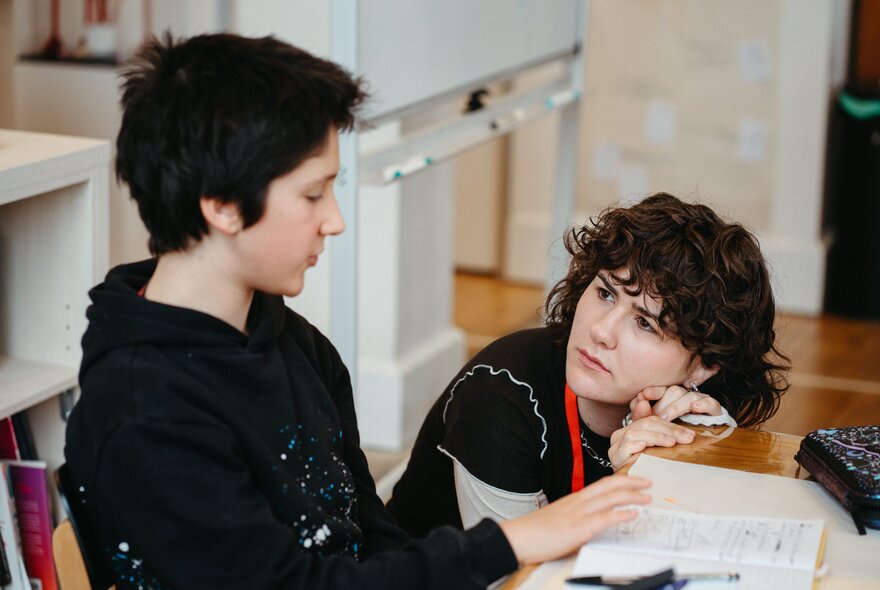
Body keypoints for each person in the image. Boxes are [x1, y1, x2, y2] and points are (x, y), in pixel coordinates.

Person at [63, 33, 652, 590]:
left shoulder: (296, 344)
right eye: (313, 194)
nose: (335, 220)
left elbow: (368, 532)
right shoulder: (145, 411)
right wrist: (510, 542)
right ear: (221, 205)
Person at [386, 193, 790, 537]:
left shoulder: (693, 414)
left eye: (644, 323)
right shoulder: (498, 398)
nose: (601, 331)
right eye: (605, 293)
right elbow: (521, 580)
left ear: (705, 366)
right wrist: (628, 483)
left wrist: (705, 449)